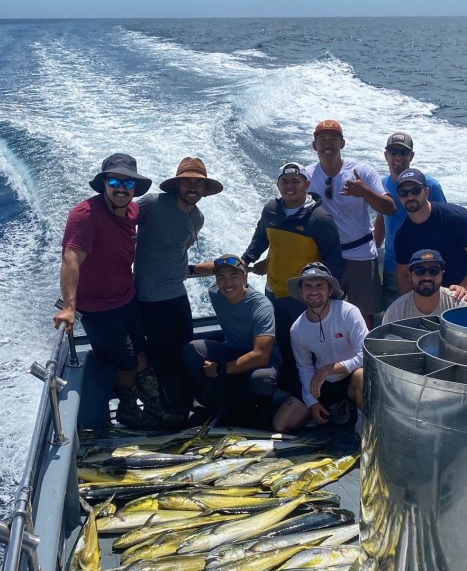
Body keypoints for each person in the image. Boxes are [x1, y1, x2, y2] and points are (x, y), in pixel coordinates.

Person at [53, 153, 172, 430]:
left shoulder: (132, 211)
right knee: (127, 362)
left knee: (143, 353)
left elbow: (160, 220)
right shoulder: (85, 215)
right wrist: (69, 307)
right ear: (104, 183)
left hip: (128, 297)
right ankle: (128, 411)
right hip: (98, 307)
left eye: (128, 183)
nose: (121, 188)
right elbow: (71, 259)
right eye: (114, 181)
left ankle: (153, 405)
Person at [241, 162, 343, 391]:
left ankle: (318, 395)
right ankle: (289, 393)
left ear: (306, 184)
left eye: (296, 181)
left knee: (312, 349)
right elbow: (260, 240)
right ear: (277, 185)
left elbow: (334, 261)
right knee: (282, 348)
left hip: (306, 299)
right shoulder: (270, 211)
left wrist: (331, 297)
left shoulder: (320, 219)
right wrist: (245, 261)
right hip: (274, 293)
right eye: (284, 182)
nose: (289, 187)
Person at [135, 157, 224, 416]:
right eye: (187, 181)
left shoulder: (197, 218)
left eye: (198, 182)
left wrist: (194, 269)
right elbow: (119, 224)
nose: (192, 187)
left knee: (185, 350)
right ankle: (174, 410)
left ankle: (188, 403)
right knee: (163, 356)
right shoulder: (152, 204)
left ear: (205, 190)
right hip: (149, 297)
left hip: (177, 293)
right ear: (177, 185)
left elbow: (179, 250)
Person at [306, 120, 396, 326]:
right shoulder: (307, 176)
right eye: (322, 139)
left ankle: (364, 357)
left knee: (363, 318)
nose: (327, 144)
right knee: (324, 315)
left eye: (333, 139)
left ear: (342, 143)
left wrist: (364, 192)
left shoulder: (362, 171)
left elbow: (390, 208)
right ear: (314, 145)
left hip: (361, 256)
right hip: (325, 257)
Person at [182, 255, 280, 426]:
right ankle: (222, 403)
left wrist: (221, 369)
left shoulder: (261, 306)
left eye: (234, 276)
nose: (227, 284)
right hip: (232, 349)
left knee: (262, 380)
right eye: (222, 277)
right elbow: (212, 268)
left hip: (263, 358)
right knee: (192, 349)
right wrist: (190, 268)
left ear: (244, 277)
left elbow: (261, 355)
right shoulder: (215, 292)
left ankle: (262, 407)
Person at [273, 263, 367, 436]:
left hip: (351, 378)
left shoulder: (348, 312)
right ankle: (330, 409)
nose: (313, 291)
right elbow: (305, 367)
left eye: (319, 285)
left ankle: (362, 428)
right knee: (281, 425)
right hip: (322, 383)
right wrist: (311, 402)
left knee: (362, 375)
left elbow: (367, 355)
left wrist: (329, 369)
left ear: (330, 290)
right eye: (308, 286)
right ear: (301, 292)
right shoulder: (297, 329)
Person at [393, 168, 467, 304]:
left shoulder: (457, 218)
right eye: (403, 193)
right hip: (438, 302)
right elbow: (404, 273)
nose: (410, 197)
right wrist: (410, 305)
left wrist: (463, 287)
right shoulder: (402, 236)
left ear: (427, 192)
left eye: (416, 191)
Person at [374, 133, 447, 309]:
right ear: (386, 155)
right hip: (394, 266)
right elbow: (380, 220)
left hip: (428, 268)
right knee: (395, 317)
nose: (398, 157)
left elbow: (445, 225)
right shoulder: (380, 185)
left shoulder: (430, 186)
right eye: (393, 151)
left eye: (403, 152)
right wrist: (373, 253)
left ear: (411, 156)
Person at [382, 249, 467, 324]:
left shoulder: (460, 305)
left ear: (442, 274)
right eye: (420, 271)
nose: (427, 277)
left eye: (434, 270)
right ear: (410, 276)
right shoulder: (395, 312)